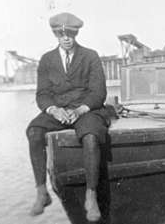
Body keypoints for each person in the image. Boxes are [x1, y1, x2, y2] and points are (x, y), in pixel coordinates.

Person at [26, 12, 109, 222]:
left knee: (90, 136)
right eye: (61, 34)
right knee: (34, 131)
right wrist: (53, 110)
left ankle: (91, 196)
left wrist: (81, 109)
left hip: (86, 110)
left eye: (70, 34)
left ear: (76, 34)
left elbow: (98, 92)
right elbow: (42, 94)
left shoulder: (90, 56)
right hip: (59, 111)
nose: (66, 39)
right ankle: (42, 192)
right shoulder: (47, 60)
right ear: (55, 35)